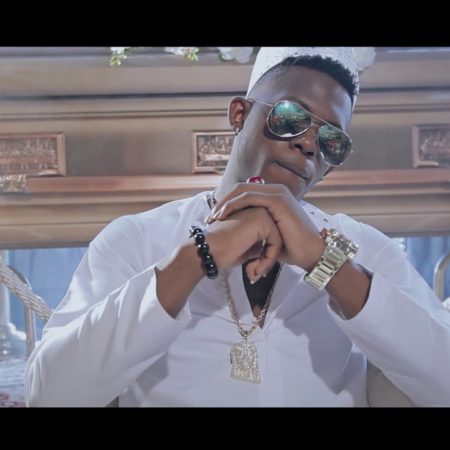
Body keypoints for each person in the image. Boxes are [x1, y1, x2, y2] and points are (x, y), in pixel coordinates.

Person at [25, 47, 450, 407]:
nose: (308, 144)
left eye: (330, 141)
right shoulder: (136, 239)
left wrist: (327, 264)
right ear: (239, 114)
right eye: (291, 117)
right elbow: (49, 395)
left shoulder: (363, 247)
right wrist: (197, 257)